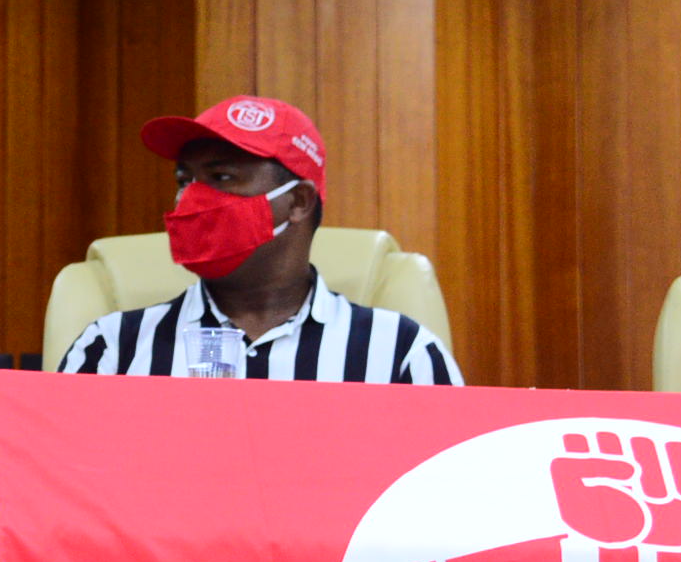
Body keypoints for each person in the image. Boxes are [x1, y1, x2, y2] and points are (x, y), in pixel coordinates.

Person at [60, 94, 461, 383]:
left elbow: (449, 475)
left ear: (298, 202)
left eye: (221, 177)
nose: (190, 199)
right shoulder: (111, 350)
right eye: (184, 180)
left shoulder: (401, 354)